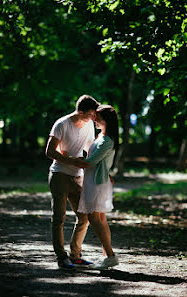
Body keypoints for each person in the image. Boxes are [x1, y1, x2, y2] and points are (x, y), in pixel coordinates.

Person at [45, 94, 99, 270]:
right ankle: (62, 258)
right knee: (59, 217)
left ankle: (75, 256)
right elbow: (49, 151)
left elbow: (90, 149)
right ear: (80, 111)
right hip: (59, 175)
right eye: (91, 114)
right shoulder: (62, 124)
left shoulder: (90, 124)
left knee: (84, 217)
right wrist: (71, 161)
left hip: (78, 177)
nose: (94, 118)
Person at [76, 104, 120, 270]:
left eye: (98, 117)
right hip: (96, 180)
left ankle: (110, 255)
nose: (94, 119)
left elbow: (91, 161)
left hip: (97, 182)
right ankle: (107, 256)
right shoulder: (102, 136)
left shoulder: (107, 140)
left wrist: (68, 160)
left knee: (95, 218)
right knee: (100, 219)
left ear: (106, 120)